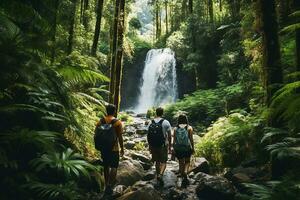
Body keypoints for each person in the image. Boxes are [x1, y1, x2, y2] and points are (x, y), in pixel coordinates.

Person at [95, 104, 124, 195]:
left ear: (106, 111)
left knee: (106, 166)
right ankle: (110, 186)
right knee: (114, 167)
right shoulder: (117, 123)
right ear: (114, 111)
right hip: (114, 148)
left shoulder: (100, 122)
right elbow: (120, 137)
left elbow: (96, 135)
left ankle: (106, 184)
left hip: (104, 148)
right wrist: (122, 148)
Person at [147, 107, 172, 186]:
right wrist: (170, 146)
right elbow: (170, 135)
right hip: (163, 145)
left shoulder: (151, 122)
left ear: (155, 113)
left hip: (153, 145)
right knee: (164, 161)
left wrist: (149, 146)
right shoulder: (166, 122)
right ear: (162, 113)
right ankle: (160, 175)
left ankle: (158, 175)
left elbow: (148, 135)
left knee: (157, 161)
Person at [171, 114, 194, 187]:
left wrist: (173, 148)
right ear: (186, 120)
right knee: (187, 161)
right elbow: (191, 139)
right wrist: (193, 148)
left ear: (178, 120)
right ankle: (185, 172)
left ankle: (181, 174)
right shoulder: (189, 128)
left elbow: (174, 140)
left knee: (181, 162)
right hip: (187, 148)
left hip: (178, 148)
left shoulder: (175, 129)